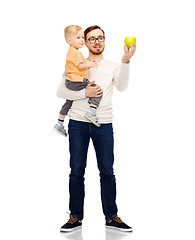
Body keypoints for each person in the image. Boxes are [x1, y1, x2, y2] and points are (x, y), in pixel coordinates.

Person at [56, 25, 136, 232]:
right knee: (76, 171)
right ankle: (75, 217)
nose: (97, 41)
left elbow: (122, 87)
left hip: (104, 124)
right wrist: (86, 93)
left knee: (107, 171)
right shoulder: (77, 62)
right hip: (78, 124)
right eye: (92, 39)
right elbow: (60, 91)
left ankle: (112, 217)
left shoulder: (111, 66)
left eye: (100, 38)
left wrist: (126, 61)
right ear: (85, 41)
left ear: (104, 41)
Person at [54, 25, 102, 137]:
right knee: (97, 90)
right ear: (69, 40)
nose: (82, 40)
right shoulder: (75, 52)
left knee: (69, 101)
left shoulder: (72, 51)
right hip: (77, 80)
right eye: (78, 37)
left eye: (82, 37)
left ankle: (59, 122)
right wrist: (90, 64)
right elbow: (80, 66)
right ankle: (91, 112)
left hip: (71, 81)